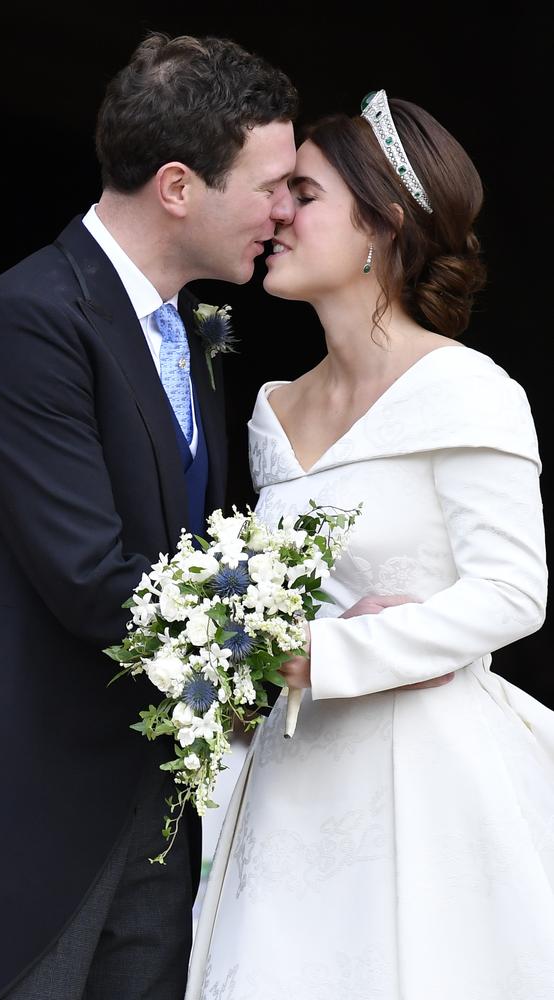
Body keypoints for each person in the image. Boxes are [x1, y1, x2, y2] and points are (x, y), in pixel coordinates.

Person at [0, 33, 300, 1000]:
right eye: (272, 184)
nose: (287, 210)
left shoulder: (188, 329)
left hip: (153, 799)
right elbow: (92, 578)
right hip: (23, 810)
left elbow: (192, 544)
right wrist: (300, 649)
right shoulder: (27, 321)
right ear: (177, 186)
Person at [186, 91, 553, 999]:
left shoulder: (469, 390)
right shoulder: (272, 407)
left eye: (303, 194)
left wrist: (330, 652)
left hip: (424, 781)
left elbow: (513, 591)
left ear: (379, 226)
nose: (277, 213)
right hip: (284, 784)